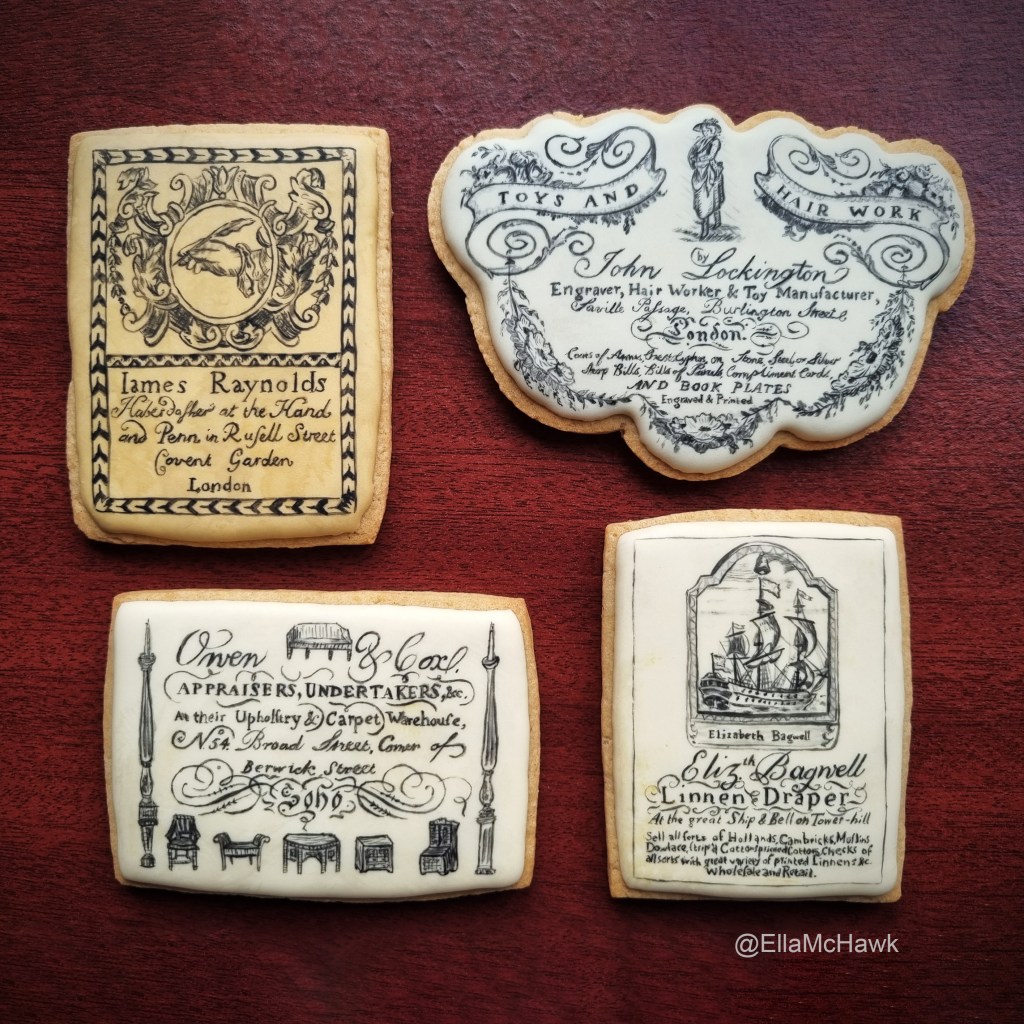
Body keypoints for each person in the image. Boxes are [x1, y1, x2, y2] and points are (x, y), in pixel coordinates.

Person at [689, 119, 725, 240]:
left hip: (710, 171)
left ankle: (709, 226)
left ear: (712, 130)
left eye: (707, 130)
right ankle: (706, 223)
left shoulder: (715, 141)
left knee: (711, 198)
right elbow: (692, 153)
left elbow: (711, 156)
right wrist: (693, 158)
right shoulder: (700, 141)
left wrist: (699, 159)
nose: (704, 132)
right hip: (699, 170)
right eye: (703, 131)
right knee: (701, 198)